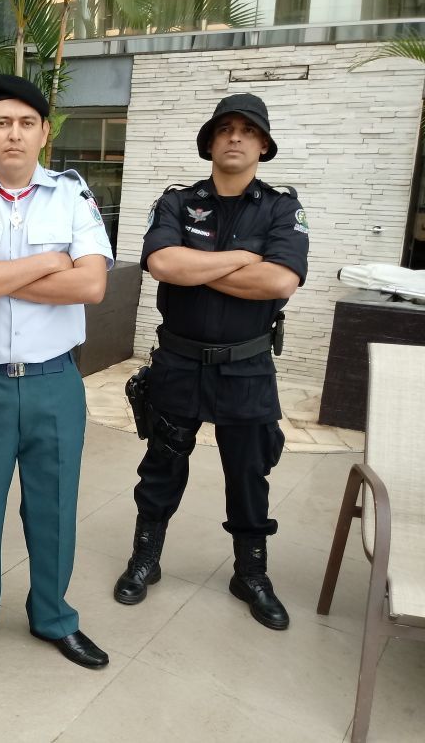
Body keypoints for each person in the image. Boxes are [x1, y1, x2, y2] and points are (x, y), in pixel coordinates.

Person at [0, 75, 113, 671]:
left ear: (44, 133)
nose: (14, 133)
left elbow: (90, 284)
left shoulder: (71, 196)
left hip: (55, 382)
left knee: (54, 505)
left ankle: (54, 616)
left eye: (26, 123)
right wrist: (45, 263)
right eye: (2, 123)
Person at [112, 93, 308, 631]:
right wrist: (245, 258)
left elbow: (280, 280)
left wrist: (197, 267)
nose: (236, 137)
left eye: (248, 130)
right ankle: (145, 558)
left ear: (263, 144)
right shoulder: (179, 201)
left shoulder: (281, 207)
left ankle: (251, 573)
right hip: (178, 361)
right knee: (162, 464)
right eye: (226, 128)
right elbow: (161, 263)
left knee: (249, 473)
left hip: (247, 369)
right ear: (210, 141)